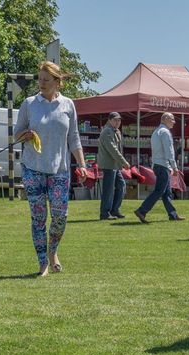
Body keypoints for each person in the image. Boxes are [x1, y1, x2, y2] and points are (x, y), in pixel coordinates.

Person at [14, 61, 88, 277]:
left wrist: (82, 165)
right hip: (33, 168)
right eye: (40, 79)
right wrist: (25, 135)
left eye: (46, 79)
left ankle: (53, 250)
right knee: (38, 218)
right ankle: (42, 262)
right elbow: (16, 134)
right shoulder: (29, 104)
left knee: (60, 217)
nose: (41, 83)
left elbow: (74, 138)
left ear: (57, 82)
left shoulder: (68, 105)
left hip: (60, 170)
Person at [134, 113, 185, 223]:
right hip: (163, 165)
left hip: (157, 164)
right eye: (172, 119)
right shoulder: (165, 132)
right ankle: (142, 210)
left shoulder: (156, 132)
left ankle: (173, 214)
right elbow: (169, 151)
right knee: (159, 191)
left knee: (167, 192)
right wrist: (174, 167)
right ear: (165, 119)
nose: (174, 122)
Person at [97, 112, 130, 220]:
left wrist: (121, 163)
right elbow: (113, 149)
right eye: (115, 120)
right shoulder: (107, 131)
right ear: (109, 120)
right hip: (109, 165)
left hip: (115, 165)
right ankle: (105, 213)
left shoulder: (116, 131)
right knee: (109, 190)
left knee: (121, 185)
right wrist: (123, 162)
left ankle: (114, 210)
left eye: (119, 120)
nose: (118, 122)